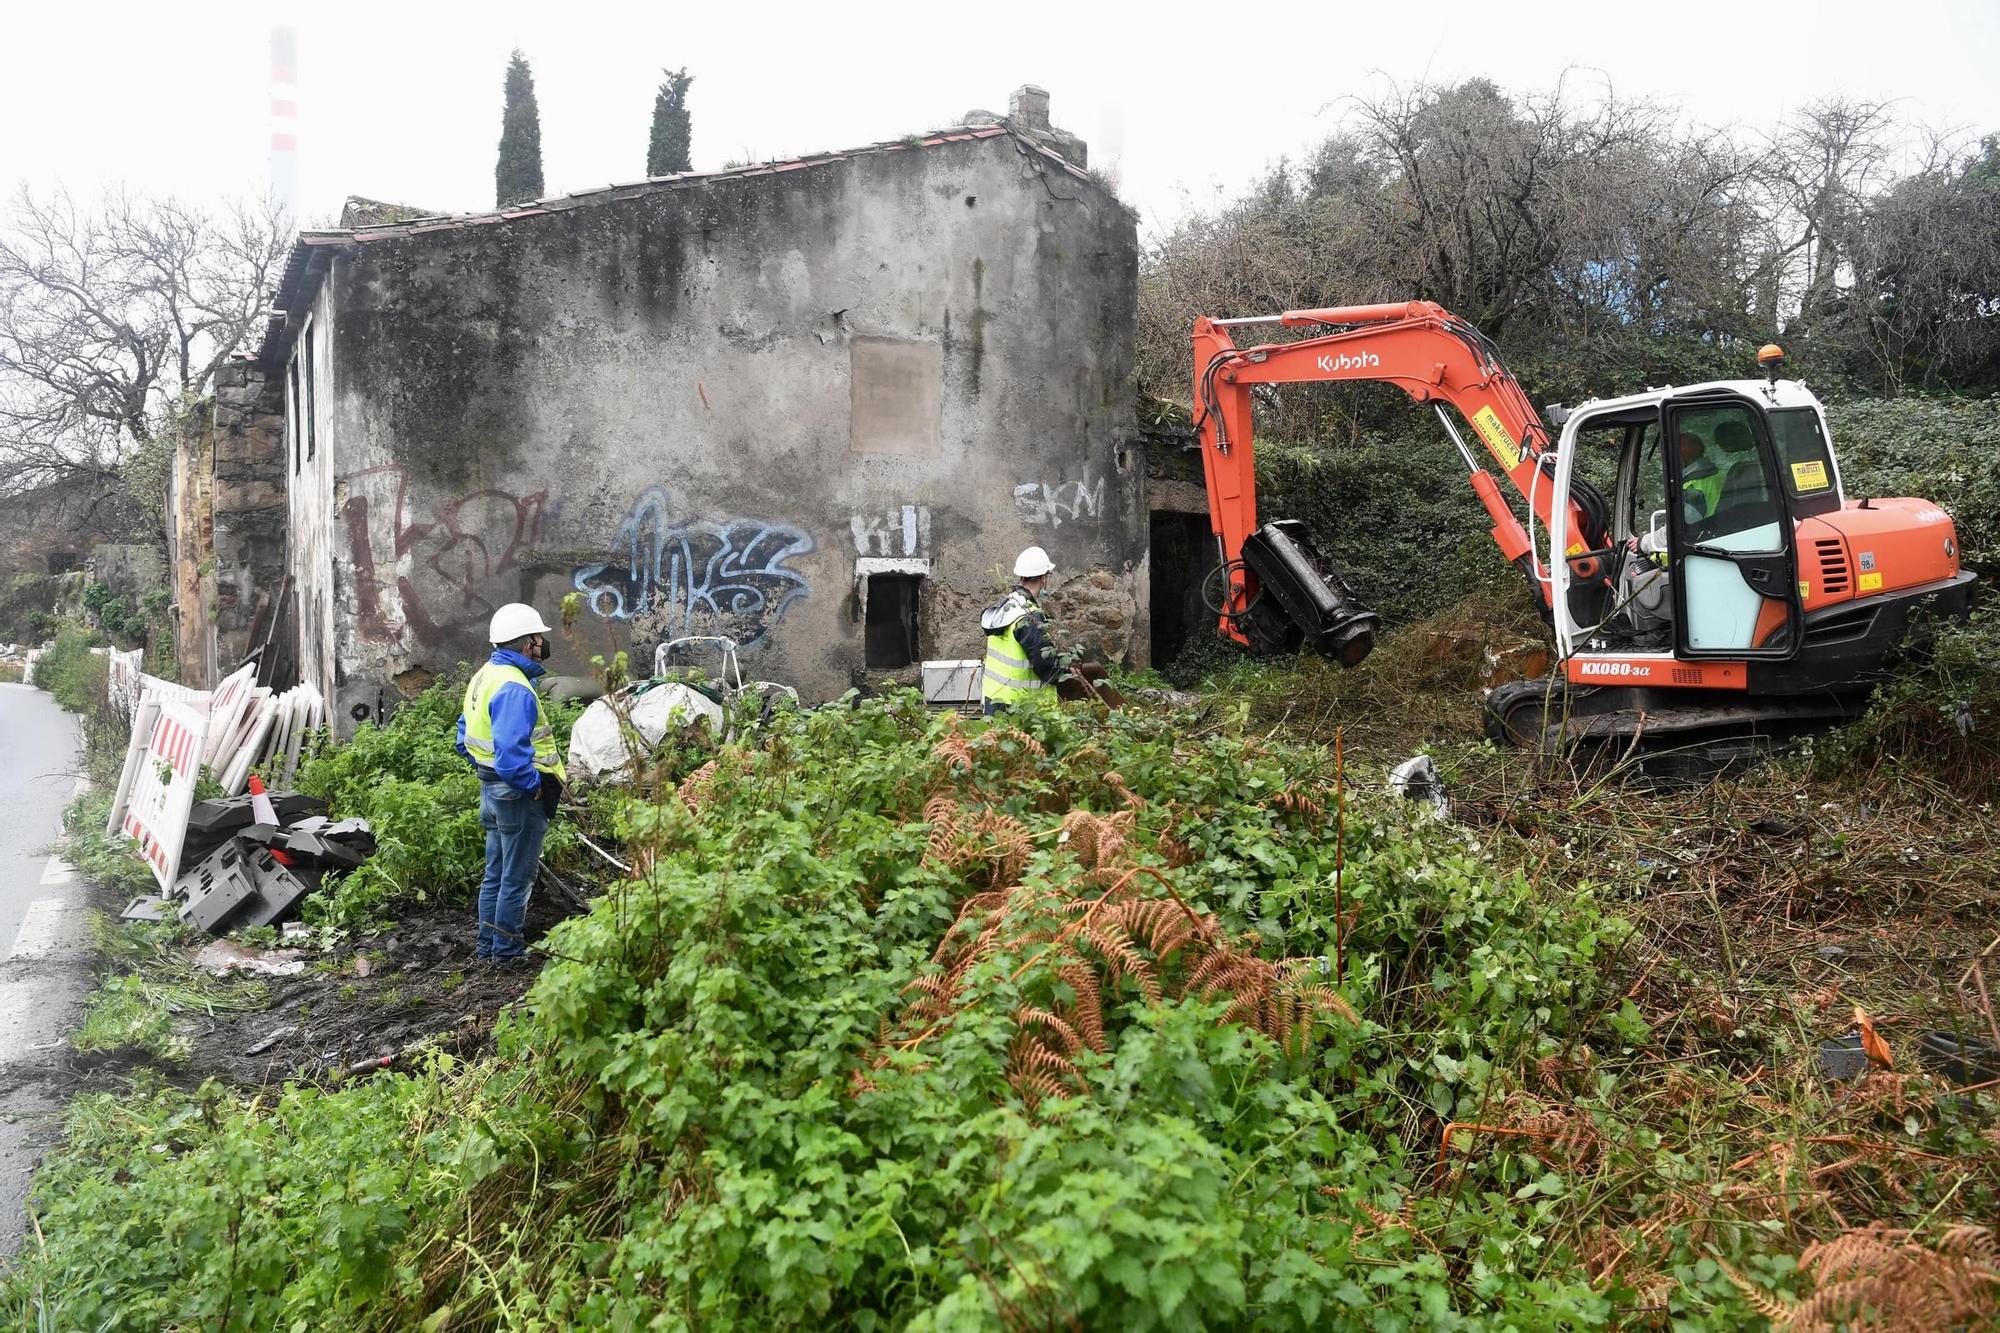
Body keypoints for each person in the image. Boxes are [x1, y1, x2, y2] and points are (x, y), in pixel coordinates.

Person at [455, 602, 566, 963]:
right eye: (538, 637)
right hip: (517, 793)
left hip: (491, 788)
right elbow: (510, 753)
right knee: (516, 878)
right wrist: (531, 784)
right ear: (525, 643)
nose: (542, 643)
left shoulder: (486, 675)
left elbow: (464, 736)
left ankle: (488, 948)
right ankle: (506, 953)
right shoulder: (514, 688)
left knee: (496, 873)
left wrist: (486, 768)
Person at [980, 547, 1064, 715]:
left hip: (994, 702)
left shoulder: (1006, 606)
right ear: (1043, 578)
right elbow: (1047, 668)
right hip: (1021, 708)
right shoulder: (1028, 616)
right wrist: (1069, 672)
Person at [1678, 431, 1724, 524]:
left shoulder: (1690, 486)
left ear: (1683, 456)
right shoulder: (1720, 474)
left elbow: (1686, 526)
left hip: (1707, 533)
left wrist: (1645, 539)